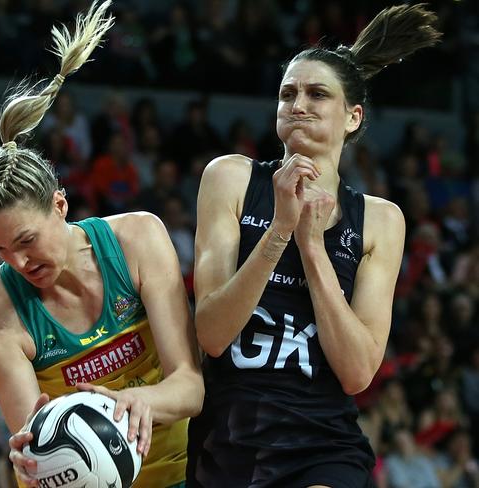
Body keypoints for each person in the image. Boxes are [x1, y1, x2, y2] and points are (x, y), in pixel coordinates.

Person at [186, 4, 441, 488]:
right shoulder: (231, 178)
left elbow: (357, 372)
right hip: (229, 431)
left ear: (353, 117)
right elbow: (213, 334)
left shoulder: (381, 219)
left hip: (322, 440)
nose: (297, 104)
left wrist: (312, 246)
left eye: (316, 94)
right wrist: (280, 229)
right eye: (287, 94)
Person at [0, 2, 204, 488]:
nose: (19, 261)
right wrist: (27, 462)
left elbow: (190, 386)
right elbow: (32, 442)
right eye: (0, 250)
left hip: (178, 475)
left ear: (60, 204)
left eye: (26, 240)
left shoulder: (138, 238)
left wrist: (140, 403)